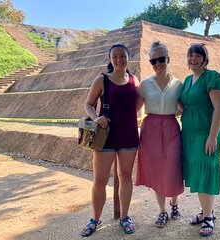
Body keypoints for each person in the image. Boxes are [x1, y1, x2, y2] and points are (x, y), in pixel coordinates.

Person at [81, 43, 139, 236]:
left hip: (129, 134)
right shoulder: (102, 80)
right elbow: (89, 105)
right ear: (110, 58)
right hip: (105, 136)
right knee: (100, 180)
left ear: (128, 58)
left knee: (125, 177)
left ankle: (124, 216)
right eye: (115, 56)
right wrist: (96, 117)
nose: (119, 60)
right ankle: (95, 219)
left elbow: (136, 106)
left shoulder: (133, 80)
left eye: (122, 56)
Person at [135, 41, 184, 228]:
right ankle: (162, 211)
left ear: (168, 59)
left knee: (172, 169)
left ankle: (175, 204)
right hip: (151, 130)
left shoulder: (178, 84)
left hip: (171, 128)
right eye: (153, 60)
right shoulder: (145, 85)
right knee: (157, 171)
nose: (157, 64)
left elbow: (184, 107)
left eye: (161, 59)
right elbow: (133, 110)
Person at [180, 43, 220, 237]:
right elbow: (184, 104)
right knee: (198, 174)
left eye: (198, 55)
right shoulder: (188, 79)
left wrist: (212, 136)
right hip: (189, 135)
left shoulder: (212, 77)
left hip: (206, 135)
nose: (193, 59)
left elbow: (219, 109)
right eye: (190, 55)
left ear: (205, 59)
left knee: (206, 173)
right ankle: (206, 211)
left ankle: (209, 217)